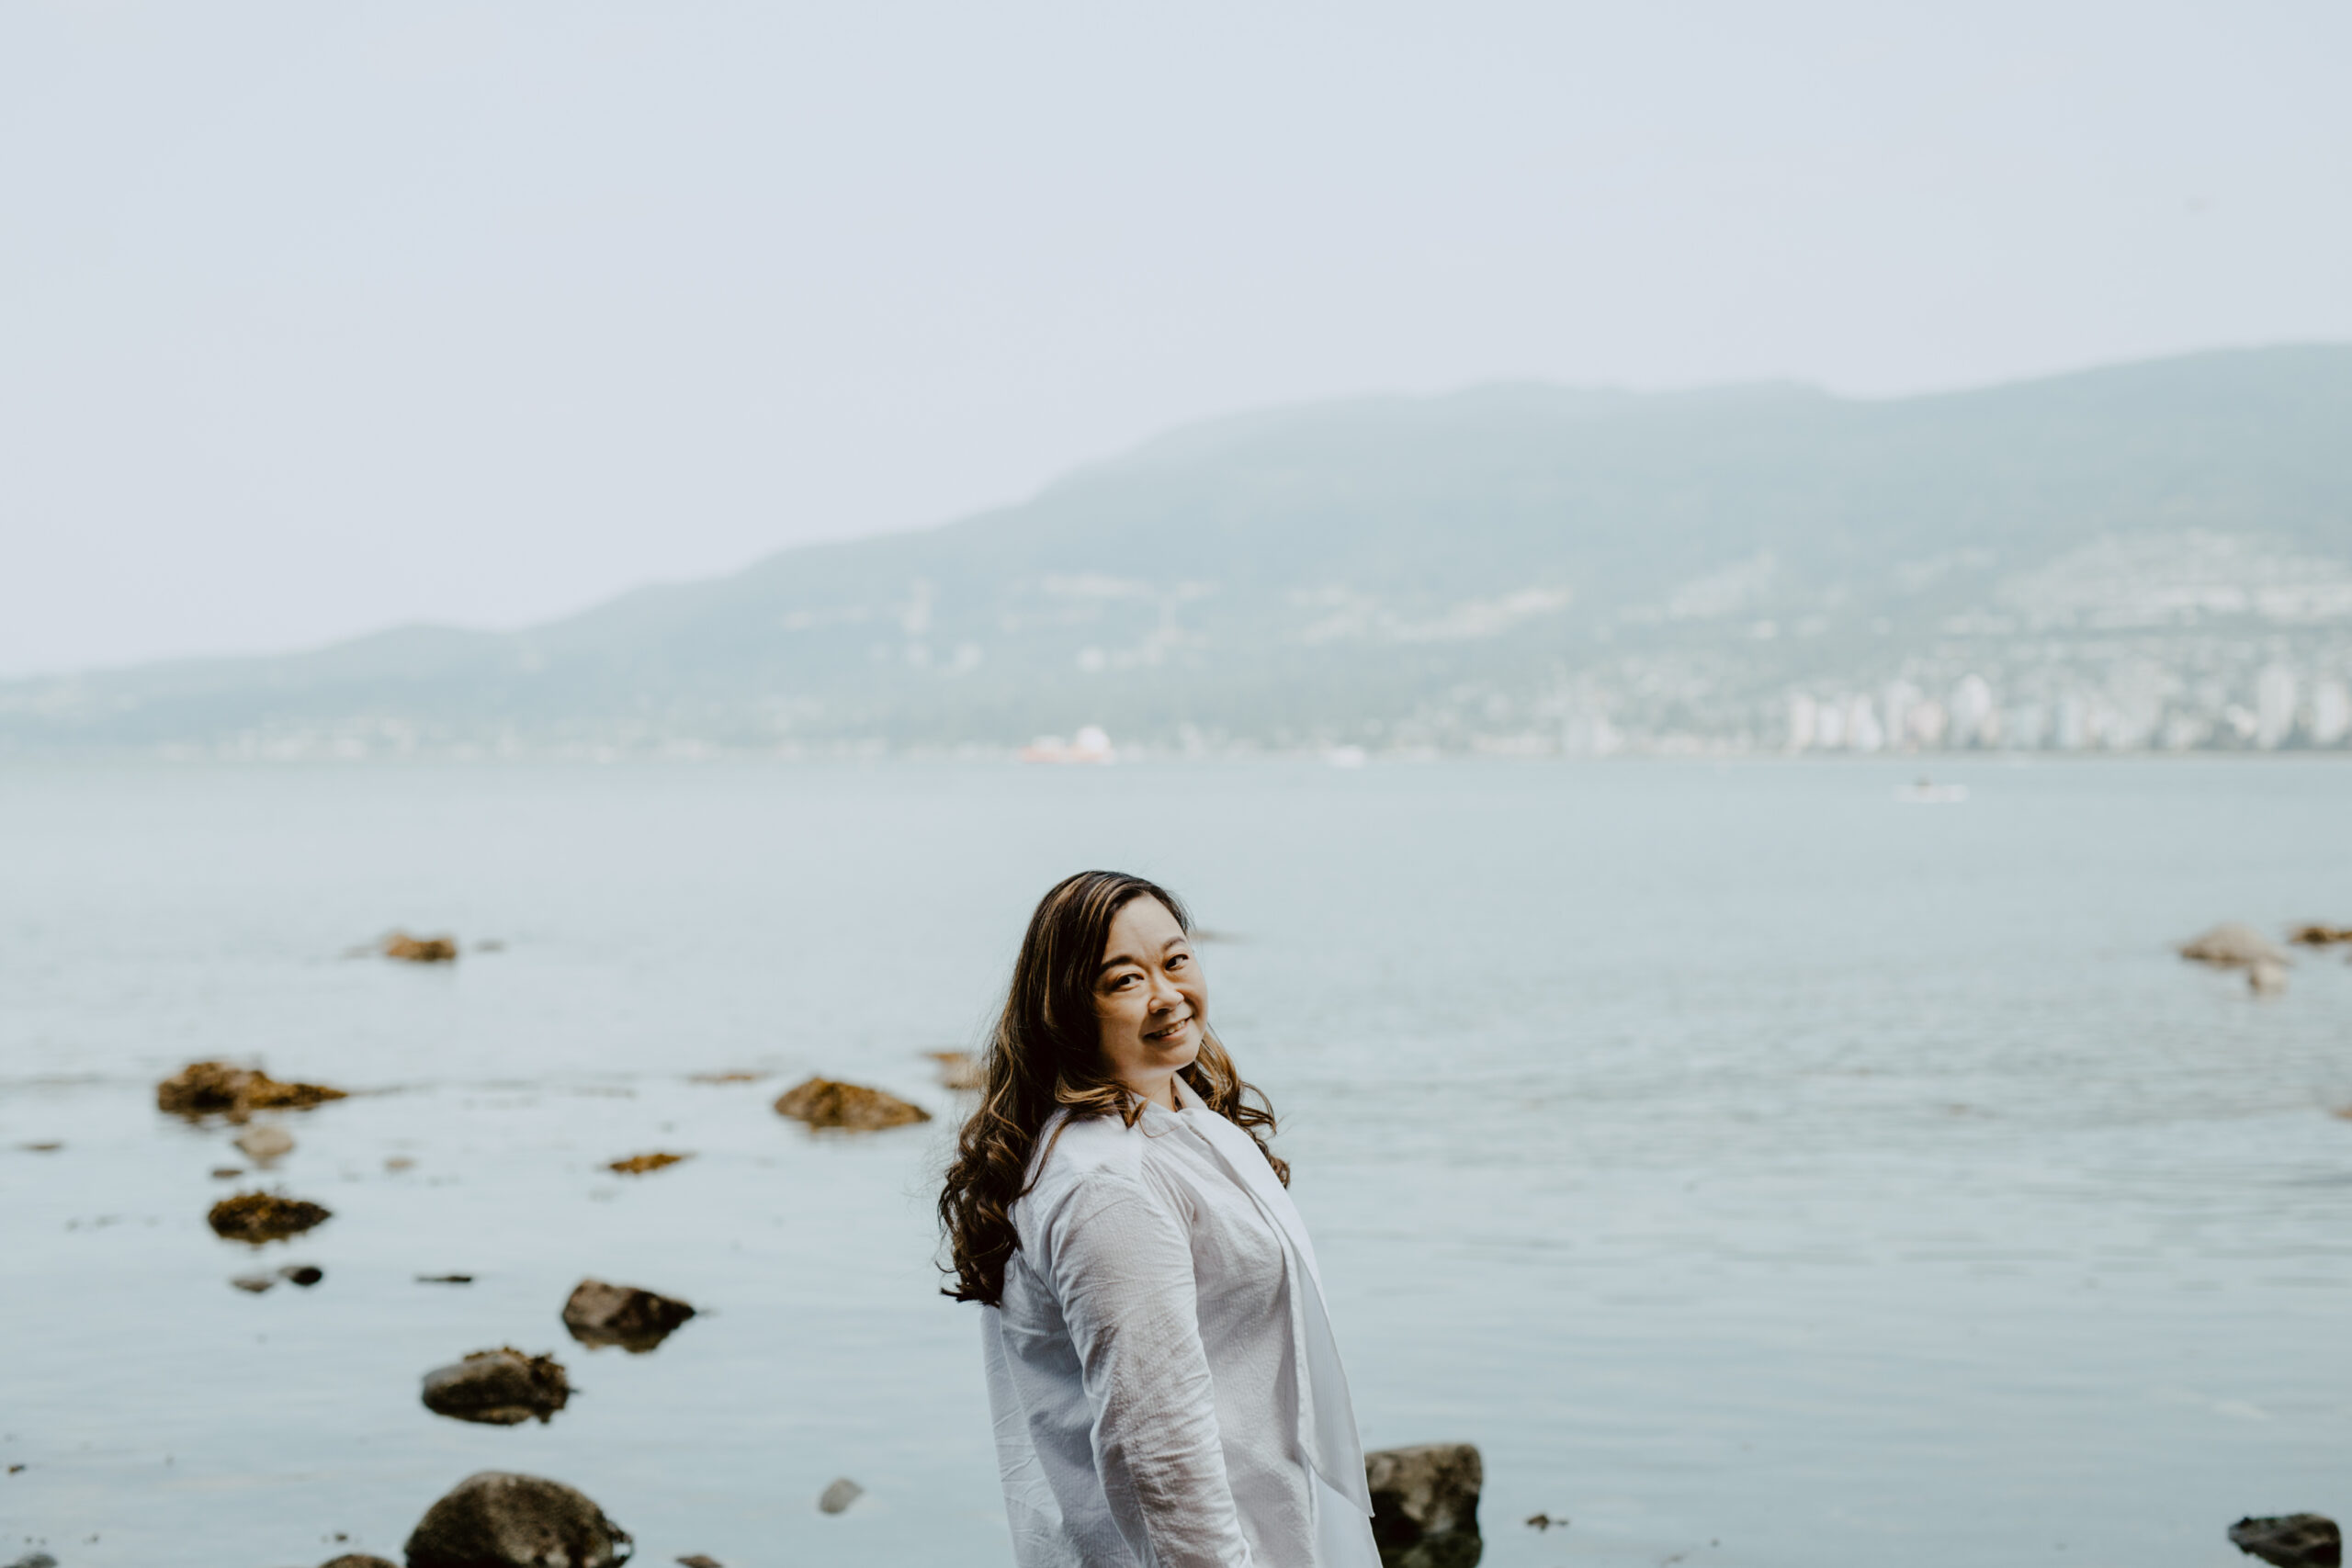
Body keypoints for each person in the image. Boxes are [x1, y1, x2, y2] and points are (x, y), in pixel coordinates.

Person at [939, 870, 1381, 1568]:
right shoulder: (1107, 1186)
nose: (1169, 994)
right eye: (1124, 980)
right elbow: (1156, 1442)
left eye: (1176, 960)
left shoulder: (1181, 1117)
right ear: (1065, 1008)